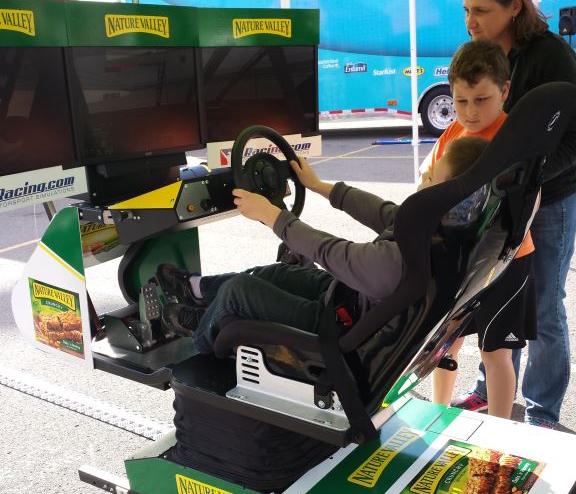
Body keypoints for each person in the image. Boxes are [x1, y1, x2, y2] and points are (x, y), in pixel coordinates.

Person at [158, 137, 487, 355]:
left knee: (239, 291)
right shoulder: (438, 230)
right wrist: (319, 187)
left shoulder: (400, 262)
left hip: (337, 330)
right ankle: (196, 290)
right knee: (270, 273)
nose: (425, 179)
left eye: (433, 179)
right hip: (345, 299)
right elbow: (384, 212)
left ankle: (198, 332)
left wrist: (273, 216)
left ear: (453, 200)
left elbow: (331, 252)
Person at [452, 0, 576, 428]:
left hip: (552, 200)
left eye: (481, 10)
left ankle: (543, 414)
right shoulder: (482, 52)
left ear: (515, 6)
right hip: (501, 200)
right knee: (496, 295)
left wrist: (532, 175)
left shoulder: (551, 57)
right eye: (466, 10)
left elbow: (574, 139)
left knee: (543, 305)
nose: (471, 21)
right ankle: (491, 391)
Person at [420, 39, 536, 419]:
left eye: (481, 100)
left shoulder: (514, 140)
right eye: (461, 101)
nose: (470, 112)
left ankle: (498, 435)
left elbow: (528, 206)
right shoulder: (453, 132)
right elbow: (428, 182)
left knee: (494, 352)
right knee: (445, 342)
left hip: (505, 260)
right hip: (458, 260)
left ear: (504, 90)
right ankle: (438, 415)